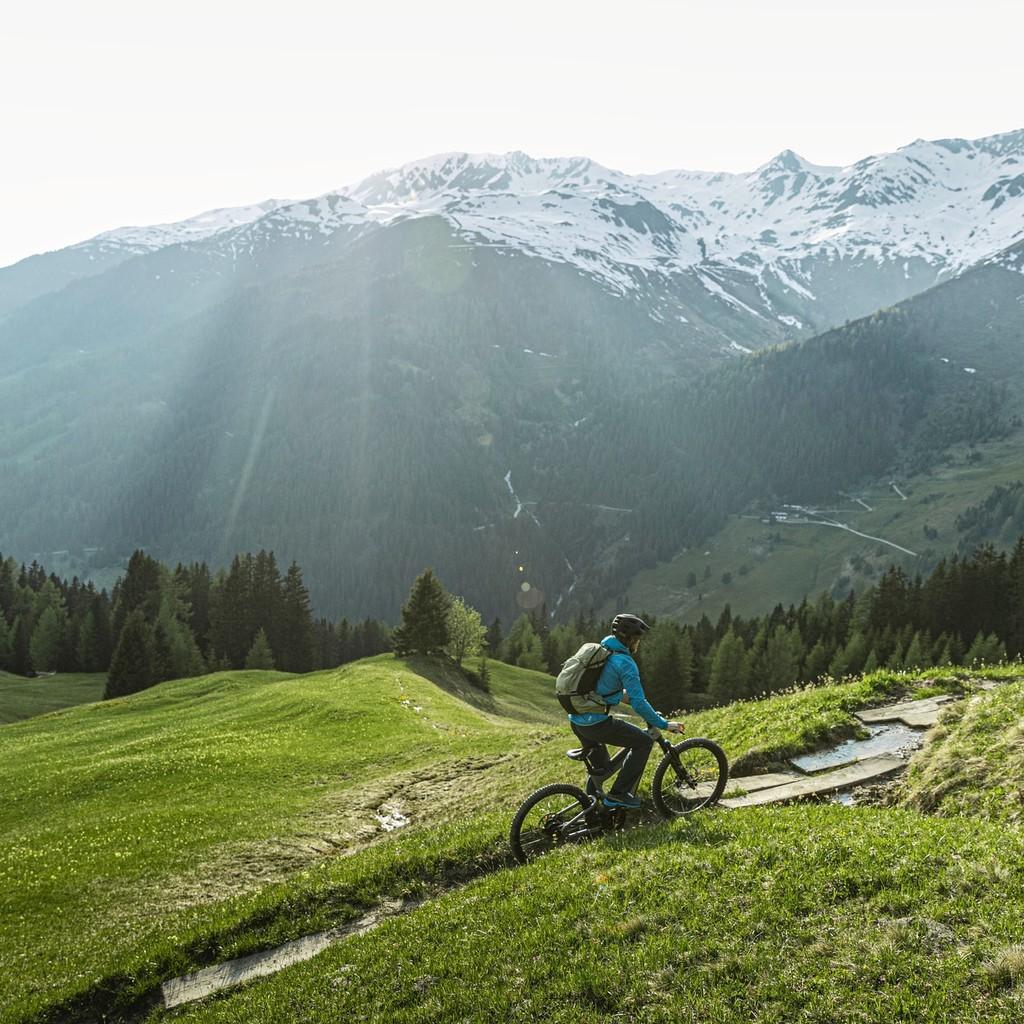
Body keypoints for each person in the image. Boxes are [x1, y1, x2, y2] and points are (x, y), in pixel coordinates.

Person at [568, 613, 684, 810]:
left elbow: (604, 689)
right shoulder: (626, 663)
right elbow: (638, 703)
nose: (639, 643)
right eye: (638, 639)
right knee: (644, 742)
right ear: (631, 640)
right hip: (596, 723)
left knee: (602, 770)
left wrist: (645, 709)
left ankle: (593, 813)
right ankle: (619, 794)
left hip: (577, 720)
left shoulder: (601, 652)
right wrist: (664, 724)